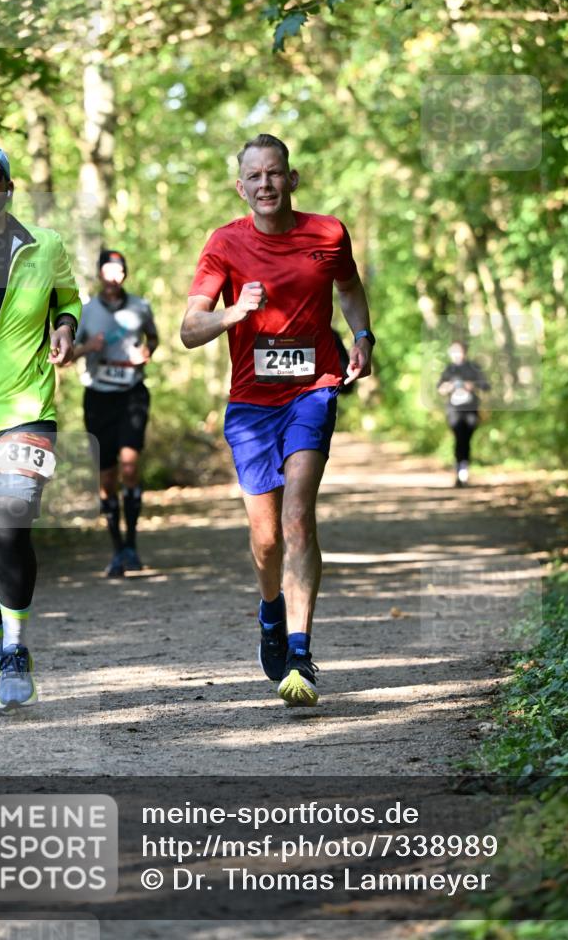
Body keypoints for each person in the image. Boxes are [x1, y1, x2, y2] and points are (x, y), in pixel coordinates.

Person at [180, 133, 375, 707]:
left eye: (275, 173)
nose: (265, 184)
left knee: (297, 519)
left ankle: (299, 651)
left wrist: (362, 336)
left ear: (292, 179)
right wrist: (234, 312)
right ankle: (271, 611)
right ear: (241, 188)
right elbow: (190, 330)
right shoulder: (224, 244)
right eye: (254, 177)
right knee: (265, 541)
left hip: (313, 391)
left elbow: (350, 287)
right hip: (249, 405)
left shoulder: (328, 233)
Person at [0, 141, 80, 715]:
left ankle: (18, 649)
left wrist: (67, 324)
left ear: (7, 187)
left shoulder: (42, 246)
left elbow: (68, 299)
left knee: (7, 524)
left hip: (26, 410)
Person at [73, 250, 158, 577]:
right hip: (98, 396)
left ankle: (133, 546)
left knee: (129, 465)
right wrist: (86, 348)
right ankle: (117, 549)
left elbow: (154, 337)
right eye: (107, 269)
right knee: (107, 475)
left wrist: (147, 351)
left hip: (132, 393)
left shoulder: (140, 306)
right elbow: (66, 356)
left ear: (125, 274)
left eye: (119, 270)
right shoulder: (86, 310)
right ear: (99, 274)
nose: (113, 276)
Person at [437, 340, 490, 486]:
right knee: (459, 437)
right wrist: (448, 387)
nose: (456, 354)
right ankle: (461, 471)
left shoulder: (473, 368)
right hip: (454, 410)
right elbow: (440, 388)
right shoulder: (449, 370)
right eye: (453, 351)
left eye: (459, 351)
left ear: (465, 352)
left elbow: (486, 386)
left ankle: (463, 469)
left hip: (471, 410)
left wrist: (472, 385)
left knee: (466, 439)